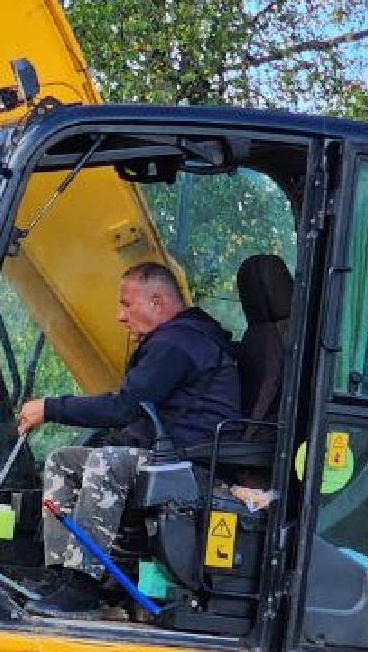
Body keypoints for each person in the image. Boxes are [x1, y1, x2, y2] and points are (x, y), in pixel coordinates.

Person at [15, 261, 240, 614]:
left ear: (157, 302)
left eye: (126, 304)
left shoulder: (180, 343)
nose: (120, 316)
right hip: (167, 457)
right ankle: (59, 575)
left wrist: (50, 408)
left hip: (190, 464)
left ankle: (83, 588)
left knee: (108, 461)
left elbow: (124, 408)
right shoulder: (176, 339)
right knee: (64, 461)